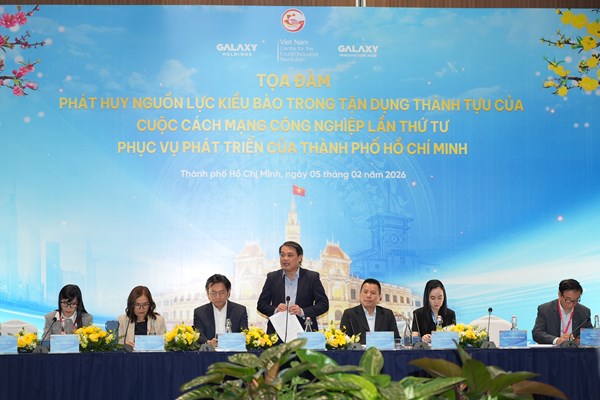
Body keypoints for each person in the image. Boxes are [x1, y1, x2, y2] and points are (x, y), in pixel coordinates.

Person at [257, 241, 329, 337]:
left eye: (290, 255)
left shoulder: (312, 277)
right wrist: (276, 310)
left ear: (299, 258)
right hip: (277, 333)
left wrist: (302, 311)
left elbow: (323, 304)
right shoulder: (272, 277)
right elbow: (261, 305)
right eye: (282, 255)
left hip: (304, 331)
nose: (285, 258)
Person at [532, 278, 593, 345]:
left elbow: (590, 335)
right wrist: (557, 340)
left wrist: (581, 340)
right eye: (568, 299)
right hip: (553, 350)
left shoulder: (584, 312)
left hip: (575, 350)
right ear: (559, 294)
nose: (572, 304)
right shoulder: (545, 309)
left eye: (576, 300)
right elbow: (537, 333)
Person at [193, 274, 248, 347]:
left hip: (233, 351)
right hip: (209, 352)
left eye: (221, 292)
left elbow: (244, 334)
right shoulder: (200, 312)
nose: (218, 297)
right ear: (208, 294)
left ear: (228, 292)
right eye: (213, 293)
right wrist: (208, 343)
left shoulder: (240, 311)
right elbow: (198, 336)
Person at [339, 278, 400, 344]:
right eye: (365, 292)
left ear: (380, 297)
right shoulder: (349, 314)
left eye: (373, 293)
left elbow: (396, 340)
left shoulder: (387, 314)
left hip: (383, 350)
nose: (368, 296)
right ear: (360, 294)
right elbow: (343, 342)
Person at [411, 279, 456, 343]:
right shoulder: (418, 314)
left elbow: (454, 339)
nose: (436, 301)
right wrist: (422, 339)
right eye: (433, 298)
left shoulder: (451, 314)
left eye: (440, 298)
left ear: (444, 297)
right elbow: (414, 338)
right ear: (427, 298)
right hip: (425, 349)